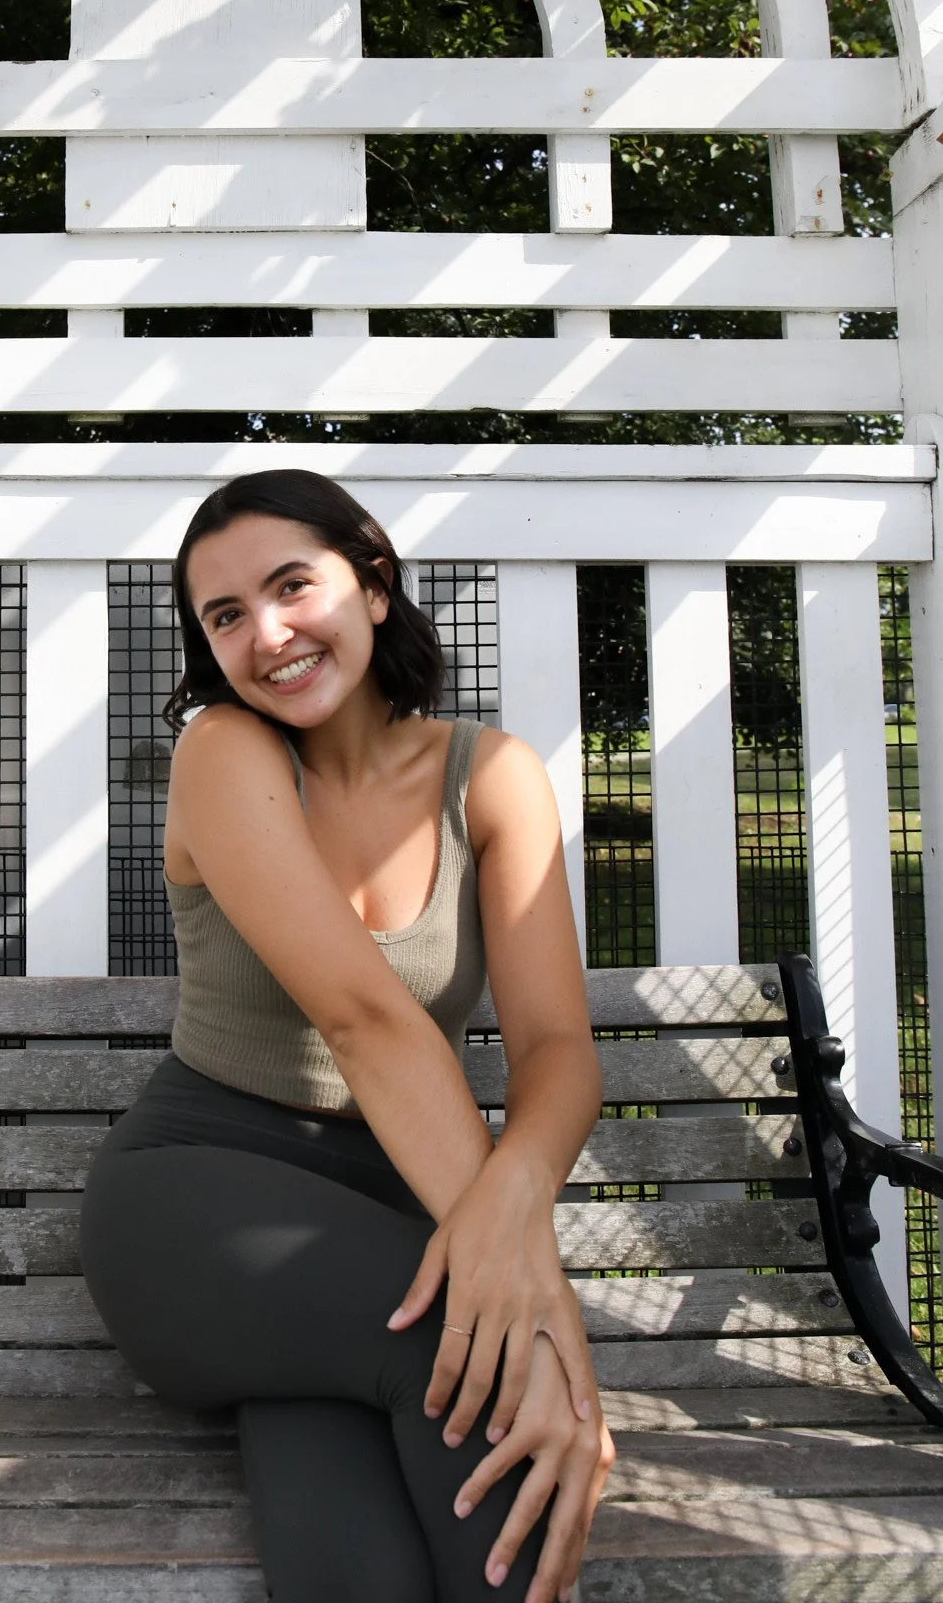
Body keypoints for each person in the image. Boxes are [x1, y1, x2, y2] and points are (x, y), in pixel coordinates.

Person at [80, 469, 612, 1602]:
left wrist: (518, 1216)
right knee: (478, 1356)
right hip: (201, 1201)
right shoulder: (224, 751)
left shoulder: (493, 779)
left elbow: (559, 1048)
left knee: (360, 1546)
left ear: (371, 582)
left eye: (291, 585)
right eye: (225, 614)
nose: (266, 634)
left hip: (383, 1227)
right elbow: (364, 1018)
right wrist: (542, 1321)